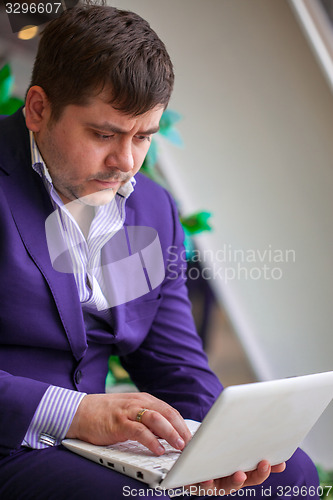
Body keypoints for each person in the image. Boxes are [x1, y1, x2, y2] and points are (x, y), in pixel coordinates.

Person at [0, 3, 320, 499]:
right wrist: (77, 413)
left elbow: (174, 363)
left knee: (291, 476)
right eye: (103, 134)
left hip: (87, 450)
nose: (124, 161)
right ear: (38, 108)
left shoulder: (152, 207)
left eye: (143, 137)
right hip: (10, 441)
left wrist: (222, 445)